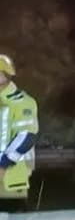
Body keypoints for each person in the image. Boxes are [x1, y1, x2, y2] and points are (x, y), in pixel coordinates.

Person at [0, 54, 40, 200]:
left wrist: (3, 166)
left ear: (5, 75)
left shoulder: (23, 103)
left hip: (12, 181)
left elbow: (27, 137)